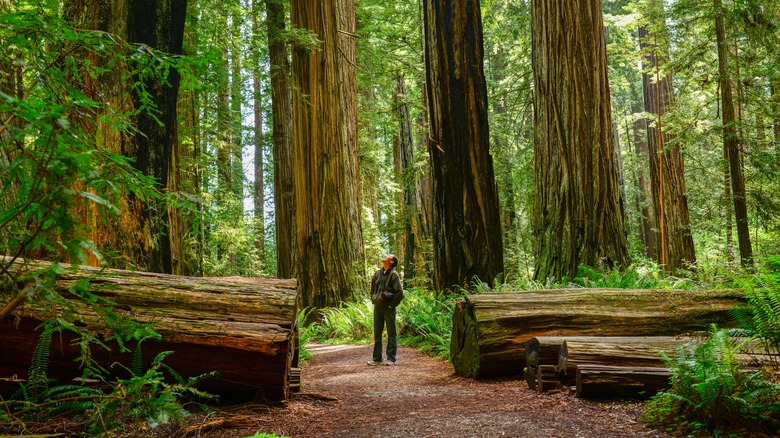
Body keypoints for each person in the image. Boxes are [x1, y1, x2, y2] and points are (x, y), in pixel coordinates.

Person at [367, 254, 404, 366]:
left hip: (389, 309)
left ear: (391, 261)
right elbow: (373, 289)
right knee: (377, 334)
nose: (384, 256)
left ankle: (391, 359)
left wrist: (391, 305)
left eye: (388, 256)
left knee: (391, 333)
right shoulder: (377, 274)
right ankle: (377, 358)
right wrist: (374, 299)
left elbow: (400, 293)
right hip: (377, 308)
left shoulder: (394, 275)